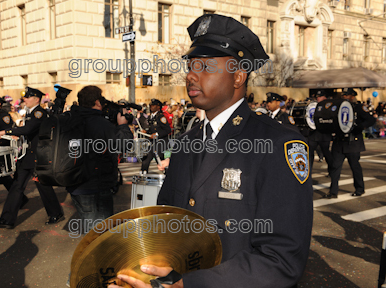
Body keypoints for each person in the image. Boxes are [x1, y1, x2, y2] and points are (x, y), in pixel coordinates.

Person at [109, 14, 313, 288]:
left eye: (205, 66)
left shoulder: (278, 144)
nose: (191, 75)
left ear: (238, 76)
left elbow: (281, 260)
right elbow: (169, 225)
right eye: (191, 65)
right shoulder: (186, 141)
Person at [0, 87, 64, 229]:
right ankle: (7, 219)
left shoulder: (38, 113)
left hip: (38, 156)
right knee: (17, 186)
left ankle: (56, 213)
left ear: (36, 99)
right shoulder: (31, 113)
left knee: (43, 186)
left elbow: (28, 129)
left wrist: (6, 131)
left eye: (28, 97)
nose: (25, 99)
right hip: (28, 156)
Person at [66, 85, 132, 228]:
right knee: (100, 235)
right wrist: (122, 126)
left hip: (75, 183)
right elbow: (123, 146)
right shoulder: (101, 124)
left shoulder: (70, 119)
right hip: (97, 185)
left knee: (91, 229)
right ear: (97, 102)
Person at [323, 88, 376, 199]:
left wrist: (360, 127)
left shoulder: (359, 107)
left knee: (355, 167)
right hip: (339, 142)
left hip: (353, 141)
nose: (345, 97)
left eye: (347, 95)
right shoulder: (337, 107)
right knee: (335, 167)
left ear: (352, 96)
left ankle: (359, 188)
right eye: (343, 95)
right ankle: (333, 192)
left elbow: (371, 120)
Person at [140, 99, 171, 173]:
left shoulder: (161, 117)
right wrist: (146, 132)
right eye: (150, 105)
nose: (151, 107)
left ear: (158, 107)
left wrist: (157, 134)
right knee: (148, 158)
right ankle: (143, 173)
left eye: (153, 105)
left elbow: (167, 130)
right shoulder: (151, 117)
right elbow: (152, 130)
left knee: (160, 161)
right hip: (153, 143)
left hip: (160, 142)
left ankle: (167, 174)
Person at [307, 90, 333, 175]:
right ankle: (308, 173)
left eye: (320, 96)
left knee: (326, 153)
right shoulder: (314, 105)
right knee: (310, 153)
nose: (318, 98)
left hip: (324, 133)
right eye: (317, 97)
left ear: (324, 97)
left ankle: (332, 171)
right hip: (313, 133)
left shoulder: (329, 106)